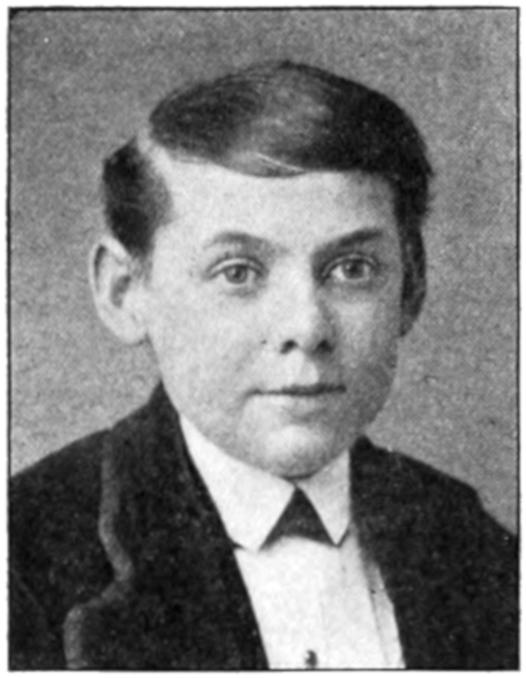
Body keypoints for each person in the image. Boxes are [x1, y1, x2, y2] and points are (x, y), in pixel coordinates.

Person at [9, 61, 517, 670]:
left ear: (411, 289)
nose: (306, 327)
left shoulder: (474, 547)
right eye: (238, 273)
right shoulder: (25, 558)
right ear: (124, 293)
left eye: (352, 269)